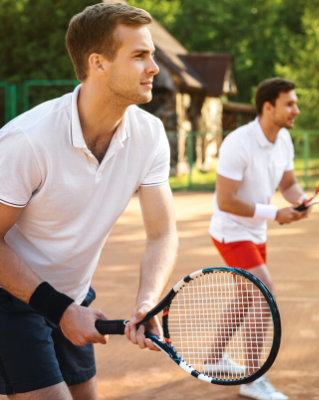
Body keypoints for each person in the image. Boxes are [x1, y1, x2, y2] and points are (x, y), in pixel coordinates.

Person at [0, 3, 178, 399]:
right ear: (98, 63)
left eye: (152, 55)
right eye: (140, 56)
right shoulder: (29, 141)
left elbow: (162, 233)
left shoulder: (149, 135)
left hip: (74, 293)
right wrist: (59, 310)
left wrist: (147, 301)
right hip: (11, 298)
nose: (154, 68)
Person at [208, 78, 311, 400]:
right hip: (231, 232)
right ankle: (253, 380)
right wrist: (274, 213)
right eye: (289, 104)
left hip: (256, 232)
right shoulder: (238, 143)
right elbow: (226, 200)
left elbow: (289, 184)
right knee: (265, 294)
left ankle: (214, 359)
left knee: (244, 298)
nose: (296, 109)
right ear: (269, 108)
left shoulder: (283, 140)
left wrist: (300, 199)